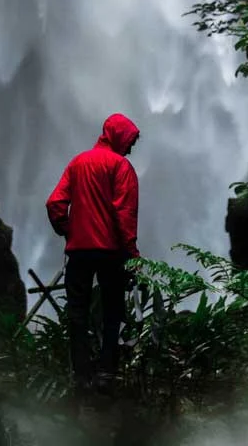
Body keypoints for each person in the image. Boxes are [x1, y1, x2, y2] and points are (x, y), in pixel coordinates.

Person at [46, 112, 141, 394]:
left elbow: (55, 203)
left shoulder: (77, 163)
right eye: (130, 140)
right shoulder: (120, 166)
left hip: (79, 251)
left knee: (77, 312)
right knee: (113, 311)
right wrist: (132, 252)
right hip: (111, 252)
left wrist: (68, 229)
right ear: (118, 136)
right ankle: (106, 373)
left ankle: (81, 374)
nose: (131, 147)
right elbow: (125, 213)